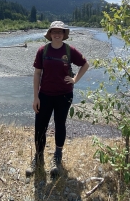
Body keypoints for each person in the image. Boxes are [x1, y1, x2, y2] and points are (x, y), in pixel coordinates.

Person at [26, 21, 89, 177]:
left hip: (64, 95)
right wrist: (35, 97)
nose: (57, 34)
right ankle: (38, 157)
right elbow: (37, 74)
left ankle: (57, 157)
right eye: (54, 31)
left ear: (64, 34)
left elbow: (85, 64)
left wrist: (75, 79)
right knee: (40, 126)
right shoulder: (43, 50)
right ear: (50, 33)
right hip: (45, 95)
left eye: (60, 31)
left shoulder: (69, 50)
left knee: (60, 124)